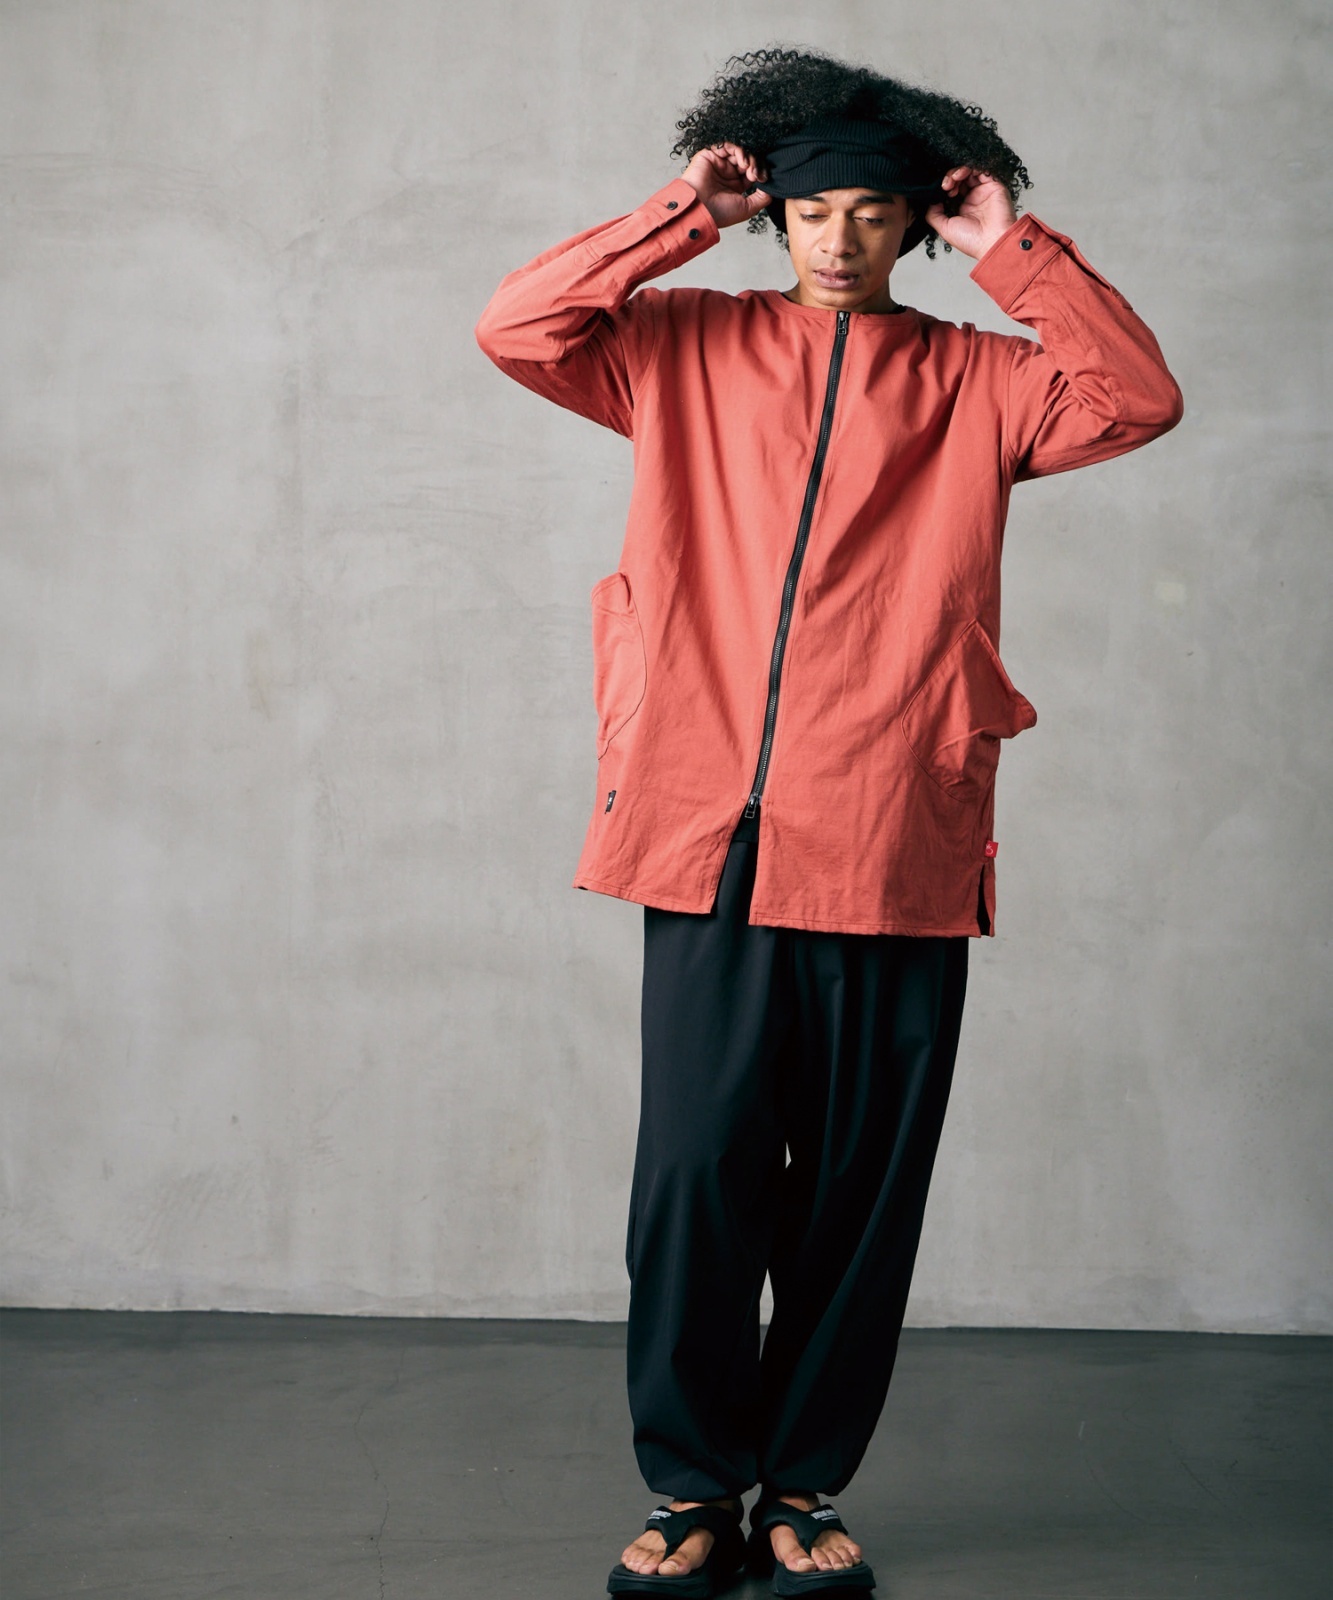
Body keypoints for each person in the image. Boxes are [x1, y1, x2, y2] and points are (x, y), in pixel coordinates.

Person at [475, 46, 1182, 1599]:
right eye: (808, 213)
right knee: (694, 1177)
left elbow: (1136, 399)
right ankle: (689, 1487)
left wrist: (1011, 247)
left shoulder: (982, 381)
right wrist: (681, 211)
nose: (838, 240)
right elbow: (516, 325)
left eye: (872, 213)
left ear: (913, 223)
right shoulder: (677, 347)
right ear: (773, 218)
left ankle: (799, 1485)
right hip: (704, 828)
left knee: (856, 1194)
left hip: (893, 826)